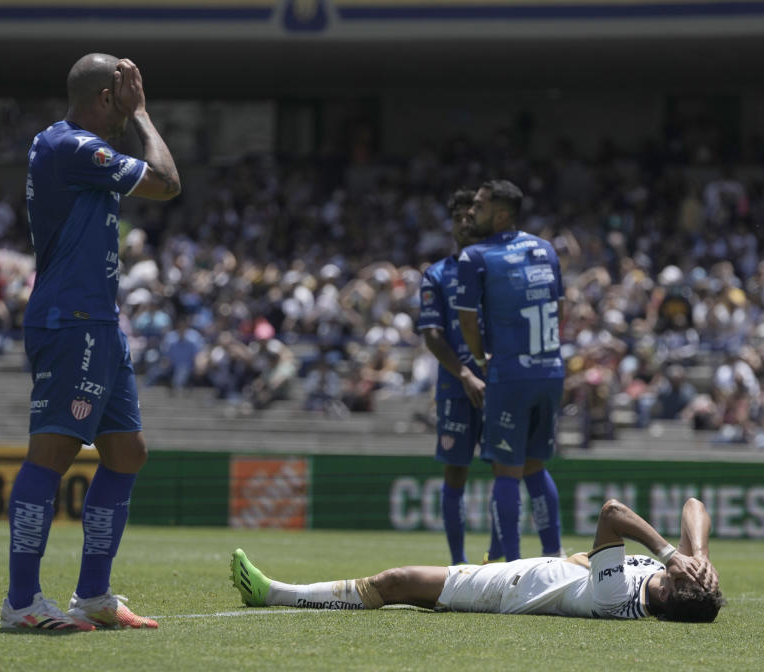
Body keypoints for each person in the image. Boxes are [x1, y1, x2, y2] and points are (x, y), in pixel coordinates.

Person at [0, 53, 180, 631]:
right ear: (107, 96)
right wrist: (144, 115)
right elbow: (167, 182)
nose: (128, 101)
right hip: (70, 319)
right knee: (51, 455)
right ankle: (22, 603)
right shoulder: (71, 147)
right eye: (122, 94)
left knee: (127, 453)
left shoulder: (73, 151)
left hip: (99, 321)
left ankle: (93, 596)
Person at [230, 497, 724, 622]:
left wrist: (667, 553)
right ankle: (274, 592)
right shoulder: (673, 580)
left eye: (684, 575)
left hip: (507, 590)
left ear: (673, 592)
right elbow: (695, 507)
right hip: (523, 572)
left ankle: (271, 593)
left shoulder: (618, 597)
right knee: (400, 584)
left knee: (394, 581)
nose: (680, 569)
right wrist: (697, 553)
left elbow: (613, 513)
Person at [454, 180, 565, 562]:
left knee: (506, 471)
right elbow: (559, 309)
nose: (472, 212)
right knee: (536, 467)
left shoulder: (475, 256)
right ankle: (553, 556)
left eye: (480, 206)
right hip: (551, 369)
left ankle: (512, 566)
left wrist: (482, 360)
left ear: (501, 215)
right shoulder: (545, 249)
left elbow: (467, 321)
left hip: (510, 374)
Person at [416, 188, 486, 564]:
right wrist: (464, 375)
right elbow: (432, 334)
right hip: (456, 388)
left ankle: (503, 560)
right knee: (455, 474)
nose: (464, 222)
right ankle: (458, 564)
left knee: (506, 474)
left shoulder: (497, 267)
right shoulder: (437, 275)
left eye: (470, 216)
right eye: (457, 217)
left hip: (498, 386)